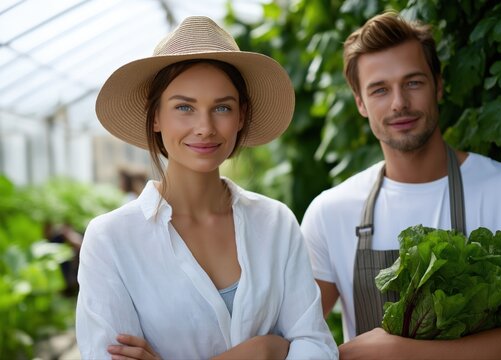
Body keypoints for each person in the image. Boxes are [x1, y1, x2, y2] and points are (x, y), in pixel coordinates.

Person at [76, 16, 338, 360]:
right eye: (184, 107)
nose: (205, 127)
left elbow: (317, 347)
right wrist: (265, 350)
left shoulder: (275, 222)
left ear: (241, 116)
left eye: (222, 107)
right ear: (155, 116)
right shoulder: (110, 240)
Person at [300, 11, 501, 359]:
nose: (399, 103)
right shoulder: (330, 212)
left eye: (413, 82)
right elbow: (298, 334)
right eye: (380, 89)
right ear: (360, 103)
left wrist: (403, 351)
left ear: (438, 85)